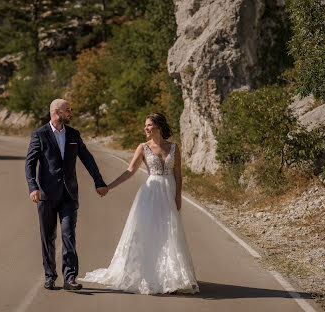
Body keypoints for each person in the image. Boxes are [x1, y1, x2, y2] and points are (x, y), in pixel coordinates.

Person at [79, 113, 200, 295]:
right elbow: (130, 171)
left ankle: (170, 276)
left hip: (168, 192)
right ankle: (149, 274)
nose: (146, 128)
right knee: (149, 232)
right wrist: (109, 187)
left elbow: (178, 174)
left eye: (149, 125)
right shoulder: (143, 148)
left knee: (169, 232)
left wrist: (178, 197)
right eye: (146, 125)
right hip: (150, 194)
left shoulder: (174, 147)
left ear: (158, 126)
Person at [25, 99, 108, 291]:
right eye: (67, 110)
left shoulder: (73, 134)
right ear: (56, 111)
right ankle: (50, 276)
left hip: (69, 195)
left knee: (68, 234)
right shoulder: (39, 134)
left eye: (70, 110)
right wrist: (33, 187)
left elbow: (87, 158)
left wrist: (99, 182)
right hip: (46, 194)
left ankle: (70, 278)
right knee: (48, 237)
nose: (70, 113)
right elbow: (30, 163)